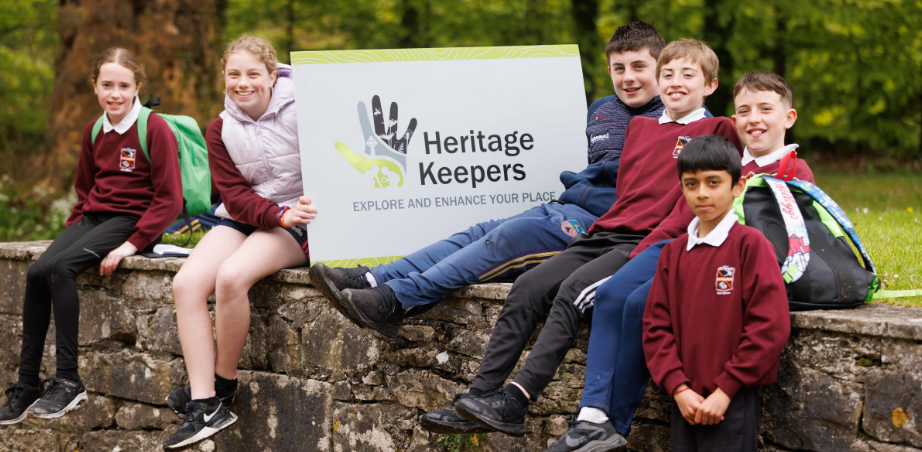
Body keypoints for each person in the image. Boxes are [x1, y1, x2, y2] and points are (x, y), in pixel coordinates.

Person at [434, 39, 743, 438]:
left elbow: (694, 207)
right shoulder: (641, 126)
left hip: (643, 243)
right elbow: (628, 195)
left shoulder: (716, 130)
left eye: (688, 75)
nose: (676, 83)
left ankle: (518, 399)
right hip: (605, 232)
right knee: (528, 285)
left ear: (710, 86)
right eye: (668, 74)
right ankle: (478, 398)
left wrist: (645, 250)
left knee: (574, 290)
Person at [309, 21, 666, 341]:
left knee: (512, 237)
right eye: (619, 68)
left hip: (609, 227)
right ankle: (374, 278)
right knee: (480, 231)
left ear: (662, 68)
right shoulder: (601, 109)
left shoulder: (678, 119)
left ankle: (396, 300)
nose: (628, 78)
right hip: (571, 206)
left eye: (639, 67)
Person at [545, 70, 813, 452]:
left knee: (640, 304)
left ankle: (613, 419)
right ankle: (597, 418)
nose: (754, 119)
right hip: (686, 262)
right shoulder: (726, 165)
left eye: (765, 109)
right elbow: (681, 219)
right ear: (733, 121)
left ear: (787, 117)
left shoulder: (792, 173)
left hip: (728, 296)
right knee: (630, 299)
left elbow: (786, 259)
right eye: (745, 111)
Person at [0, 48, 183, 425]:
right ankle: (27, 384)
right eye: (106, 85)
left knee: (61, 268)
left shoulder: (154, 128)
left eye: (124, 85)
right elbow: (85, 190)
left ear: (138, 87)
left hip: (132, 220)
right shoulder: (94, 129)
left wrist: (131, 244)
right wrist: (72, 232)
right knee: (37, 271)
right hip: (93, 219)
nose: (115, 93)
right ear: (94, 86)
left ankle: (68, 380)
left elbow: (169, 200)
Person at [162, 36, 317, 449]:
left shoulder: (309, 108)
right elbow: (233, 196)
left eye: (252, 73)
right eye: (234, 74)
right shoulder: (219, 129)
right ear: (224, 76)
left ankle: (224, 384)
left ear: (272, 75)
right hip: (248, 214)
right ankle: (204, 402)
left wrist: (288, 214)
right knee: (186, 285)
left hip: (299, 221)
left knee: (231, 277)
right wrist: (271, 213)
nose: (242, 82)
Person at [642, 135, 790, 451]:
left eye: (713, 182)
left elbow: (769, 327)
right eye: (691, 184)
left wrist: (725, 389)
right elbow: (655, 327)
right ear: (681, 189)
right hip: (685, 402)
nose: (702, 193)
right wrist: (678, 387)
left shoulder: (750, 245)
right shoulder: (672, 253)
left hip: (731, 402)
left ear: (738, 186)